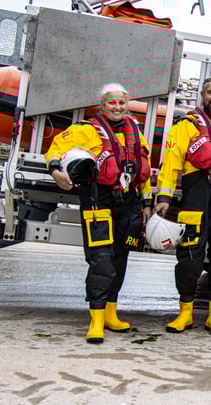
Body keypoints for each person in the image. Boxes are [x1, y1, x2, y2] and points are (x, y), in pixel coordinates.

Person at [45, 83, 153, 343]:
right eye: (112, 102)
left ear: (128, 105)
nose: (117, 107)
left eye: (122, 102)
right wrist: (56, 171)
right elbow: (55, 149)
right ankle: (96, 320)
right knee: (101, 261)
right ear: (102, 105)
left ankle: (111, 313)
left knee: (119, 259)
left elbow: (143, 168)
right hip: (98, 202)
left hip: (128, 203)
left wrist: (147, 202)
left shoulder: (135, 131)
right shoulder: (87, 130)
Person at [154, 76, 211, 337]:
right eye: (210, 92)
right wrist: (164, 198)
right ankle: (185, 312)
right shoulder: (186, 126)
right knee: (190, 255)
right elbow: (171, 162)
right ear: (202, 96)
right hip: (197, 193)